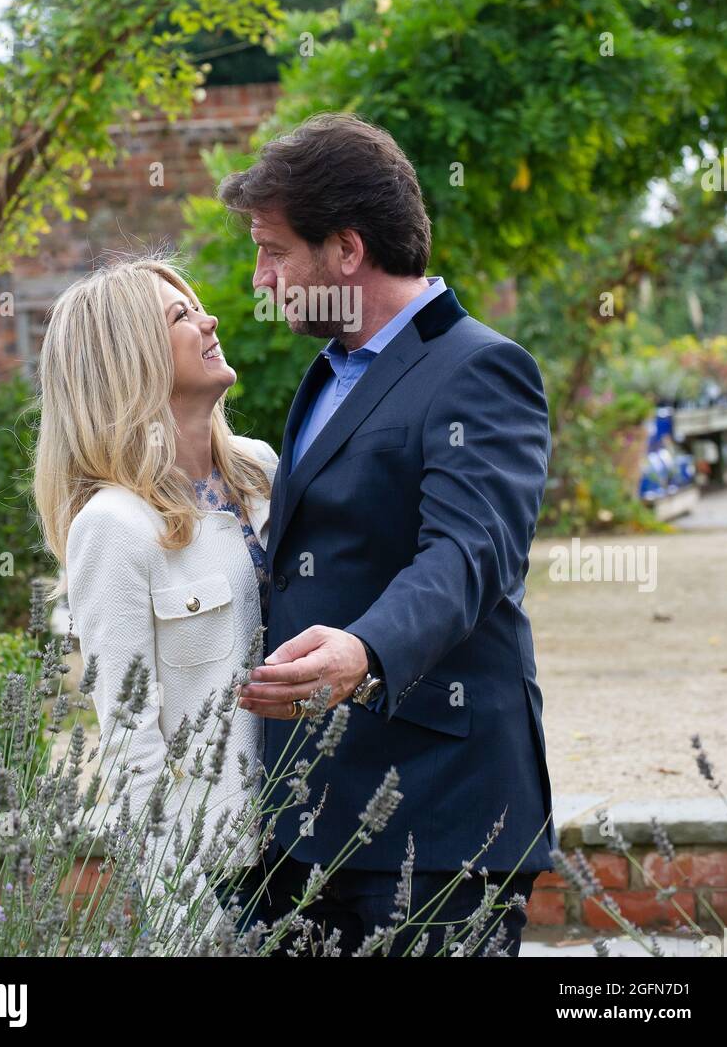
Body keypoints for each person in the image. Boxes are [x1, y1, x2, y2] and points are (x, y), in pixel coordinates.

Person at [219, 113, 556, 957]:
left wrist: (364, 652)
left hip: (440, 815)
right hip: (307, 820)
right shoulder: (325, 372)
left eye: (273, 251)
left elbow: (467, 555)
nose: (259, 278)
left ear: (345, 249)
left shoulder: (481, 368)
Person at [33, 254, 278, 937]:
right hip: (227, 870)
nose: (210, 319)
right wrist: (191, 916)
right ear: (127, 359)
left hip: (319, 839)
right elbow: (128, 743)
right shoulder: (113, 525)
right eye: (181, 316)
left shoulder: (260, 471)